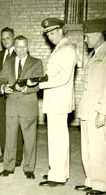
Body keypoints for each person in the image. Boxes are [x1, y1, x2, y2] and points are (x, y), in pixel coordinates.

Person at [76, 18, 106, 195]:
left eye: (87, 37)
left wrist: (102, 112)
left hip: (99, 112)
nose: (85, 40)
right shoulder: (94, 55)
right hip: (87, 111)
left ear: (97, 35)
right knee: (88, 150)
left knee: (99, 150)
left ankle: (101, 186)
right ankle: (91, 181)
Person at [0, 35, 43, 179]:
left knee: (29, 140)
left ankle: (29, 168)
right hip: (11, 106)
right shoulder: (8, 62)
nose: (21, 50)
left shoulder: (36, 63)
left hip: (28, 106)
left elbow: (39, 84)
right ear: (14, 47)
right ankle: (8, 167)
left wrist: (27, 89)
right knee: (9, 138)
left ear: (28, 47)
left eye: (23, 47)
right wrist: (3, 87)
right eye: (18, 47)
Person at [38, 18, 77, 187]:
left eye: (53, 33)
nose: (51, 37)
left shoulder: (67, 49)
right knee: (57, 138)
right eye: (48, 35)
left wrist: (40, 84)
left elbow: (63, 77)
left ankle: (58, 176)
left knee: (58, 139)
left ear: (61, 30)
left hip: (59, 102)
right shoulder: (60, 48)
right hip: (56, 101)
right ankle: (59, 171)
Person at [0, 27, 24, 165]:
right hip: (1, 96)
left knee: (16, 127)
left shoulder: (20, 54)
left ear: (13, 37)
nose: (5, 41)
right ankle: (5, 153)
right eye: (3, 38)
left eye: (8, 38)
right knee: (3, 126)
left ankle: (17, 156)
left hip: (14, 97)